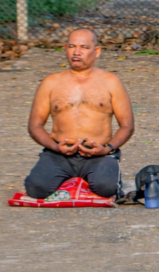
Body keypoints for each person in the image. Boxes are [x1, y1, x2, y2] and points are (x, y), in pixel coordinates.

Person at [23, 28, 135, 199]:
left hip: (98, 154)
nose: (76, 52)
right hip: (58, 154)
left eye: (84, 47)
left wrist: (107, 149)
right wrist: (54, 147)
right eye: (72, 46)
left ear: (96, 51)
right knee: (36, 188)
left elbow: (127, 125)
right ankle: (68, 176)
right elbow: (35, 125)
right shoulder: (51, 82)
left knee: (106, 187)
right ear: (65, 48)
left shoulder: (111, 82)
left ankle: (98, 172)